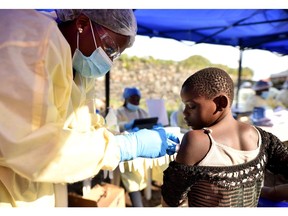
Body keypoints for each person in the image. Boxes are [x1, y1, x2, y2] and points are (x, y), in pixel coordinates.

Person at [0, 9, 179, 207]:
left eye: (116, 55)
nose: (109, 61)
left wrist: (119, 139)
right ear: (83, 23)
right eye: (109, 49)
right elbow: (32, 146)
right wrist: (123, 147)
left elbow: (85, 125)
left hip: (39, 188)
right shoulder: (30, 37)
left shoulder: (79, 65)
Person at [161, 67, 288, 207]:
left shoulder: (196, 140)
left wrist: (271, 193)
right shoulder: (260, 137)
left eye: (191, 106)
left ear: (221, 103)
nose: (184, 112)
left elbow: (171, 201)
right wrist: (271, 193)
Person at [116, 87, 149, 207]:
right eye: (133, 98)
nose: (136, 101)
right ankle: (137, 204)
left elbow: (149, 123)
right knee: (131, 172)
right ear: (126, 99)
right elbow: (113, 126)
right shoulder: (118, 112)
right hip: (127, 147)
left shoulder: (142, 112)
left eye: (138, 99)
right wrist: (127, 126)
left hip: (143, 146)